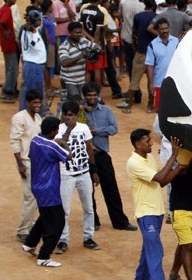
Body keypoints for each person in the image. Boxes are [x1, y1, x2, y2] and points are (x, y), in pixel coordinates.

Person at [126, 129, 184, 280]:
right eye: (147, 141)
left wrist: (179, 168)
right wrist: (174, 156)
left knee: (148, 252)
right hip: (146, 214)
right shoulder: (134, 162)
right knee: (155, 254)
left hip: (156, 212)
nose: (151, 144)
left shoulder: (148, 158)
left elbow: (163, 181)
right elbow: (159, 178)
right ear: (137, 144)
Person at [82, 82, 136, 231]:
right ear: (84, 96)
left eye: (94, 95)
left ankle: (120, 222)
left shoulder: (106, 111)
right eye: (89, 95)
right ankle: (94, 222)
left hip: (101, 155)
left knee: (111, 189)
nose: (92, 98)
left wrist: (95, 131)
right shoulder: (80, 112)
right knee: (88, 191)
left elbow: (114, 129)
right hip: (85, 156)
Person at [21, 117, 72, 267]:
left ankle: (29, 243)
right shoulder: (52, 146)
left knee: (45, 216)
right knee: (57, 222)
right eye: (56, 130)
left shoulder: (35, 140)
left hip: (37, 186)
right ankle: (44, 256)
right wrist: (63, 143)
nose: (57, 133)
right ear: (52, 132)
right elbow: (68, 156)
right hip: (49, 190)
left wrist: (61, 139)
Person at [55, 100, 101, 254]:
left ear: (76, 115)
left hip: (83, 173)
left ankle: (88, 237)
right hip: (66, 175)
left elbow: (89, 149)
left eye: (72, 115)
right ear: (63, 115)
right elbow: (59, 146)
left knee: (89, 208)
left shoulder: (84, 128)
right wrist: (68, 130)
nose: (69, 118)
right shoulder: (59, 130)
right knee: (65, 210)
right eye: (67, 115)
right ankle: (63, 240)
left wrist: (94, 171)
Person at [11, 90, 44, 241]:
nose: (38, 105)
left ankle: (29, 227)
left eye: (39, 102)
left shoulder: (37, 118)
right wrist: (20, 165)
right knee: (30, 196)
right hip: (26, 161)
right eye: (35, 102)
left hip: (37, 162)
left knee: (35, 197)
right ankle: (23, 230)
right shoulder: (19, 118)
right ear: (28, 103)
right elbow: (15, 141)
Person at [59, 22, 100, 101]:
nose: (79, 34)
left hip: (81, 79)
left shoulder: (83, 41)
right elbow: (64, 63)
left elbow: (97, 46)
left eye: (80, 32)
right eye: (76, 32)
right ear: (69, 32)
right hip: (69, 80)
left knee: (83, 100)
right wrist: (82, 55)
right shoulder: (64, 46)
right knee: (76, 101)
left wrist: (94, 51)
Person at [145, 18, 179, 112]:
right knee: (160, 111)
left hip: (175, 82)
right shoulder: (152, 45)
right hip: (159, 83)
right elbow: (150, 65)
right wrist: (151, 83)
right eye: (162, 29)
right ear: (157, 30)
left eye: (166, 28)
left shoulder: (177, 42)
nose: (165, 31)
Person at [19, 11, 48, 112]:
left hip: (36, 65)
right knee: (32, 92)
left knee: (36, 90)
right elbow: (33, 44)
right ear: (33, 21)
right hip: (33, 66)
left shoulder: (33, 30)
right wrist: (31, 29)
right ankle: (27, 113)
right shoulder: (29, 32)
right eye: (39, 20)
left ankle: (35, 113)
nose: (41, 21)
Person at [0, 0, 19, 102]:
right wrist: (7, 30)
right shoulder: (7, 10)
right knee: (13, 69)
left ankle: (8, 89)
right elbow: (3, 21)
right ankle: (7, 91)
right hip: (9, 43)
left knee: (9, 67)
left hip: (5, 43)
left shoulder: (3, 9)